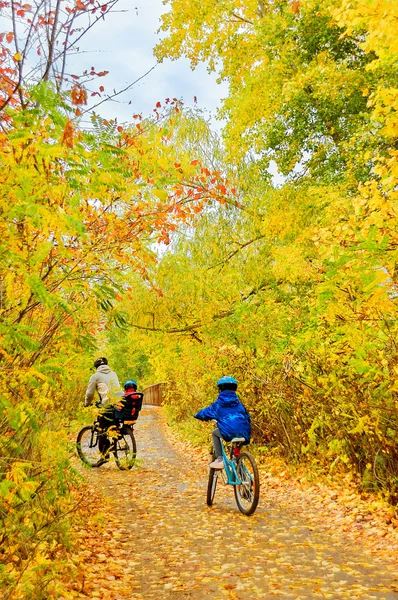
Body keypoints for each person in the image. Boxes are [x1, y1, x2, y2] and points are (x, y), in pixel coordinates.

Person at [194, 376, 251, 469]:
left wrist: (197, 415)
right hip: (244, 432)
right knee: (238, 439)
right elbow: (247, 417)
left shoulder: (218, 404)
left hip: (228, 432)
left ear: (220, 389)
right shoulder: (239, 404)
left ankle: (220, 459)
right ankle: (238, 461)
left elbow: (206, 412)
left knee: (214, 433)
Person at [84, 357, 122, 459]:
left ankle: (104, 456)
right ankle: (115, 439)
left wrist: (86, 403)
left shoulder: (95, 376)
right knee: (113, 423)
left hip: (107, 405)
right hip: (120, 403)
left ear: (96, 367)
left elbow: (90, 393)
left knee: (102, 429)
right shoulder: (113, 374)